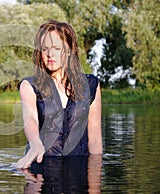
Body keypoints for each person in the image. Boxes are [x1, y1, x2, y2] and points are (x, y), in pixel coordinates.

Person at [15, 20, 102, 169]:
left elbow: (94, 139)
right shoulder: (29, 85)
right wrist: (35, 144)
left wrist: (95, 182)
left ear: (68, 50)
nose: (50, 54)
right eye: (45, 49)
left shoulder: (90, 85)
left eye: (56, 48)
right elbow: (30, 120)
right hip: (41, 166)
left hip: (79, 169)